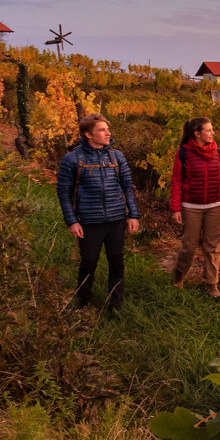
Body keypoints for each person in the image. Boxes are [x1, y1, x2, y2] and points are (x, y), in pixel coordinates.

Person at [56, 113, 141, 311]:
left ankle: (115, 304)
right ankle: (83, 304)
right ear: (88, 134)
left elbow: (128, 186)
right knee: (88, 264)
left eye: (107, 129)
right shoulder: (72, 159)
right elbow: (64, 193)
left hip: (116, 219)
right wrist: (72, 221)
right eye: (102, 130)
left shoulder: (117, 157)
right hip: (89, 221)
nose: (108, 133)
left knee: (117, 262)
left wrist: (133, 214)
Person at [169, 116, 220, 298]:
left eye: (212, 129)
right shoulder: (184, 152)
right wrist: (175, 208)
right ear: (197, 134)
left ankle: (212, 283)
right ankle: (178, 275)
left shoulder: (219, 152)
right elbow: (176, 180)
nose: (212, 133)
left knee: (213, 246)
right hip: (191, 206)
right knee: (189, 245)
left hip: (214, 205)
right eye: (208, 130)